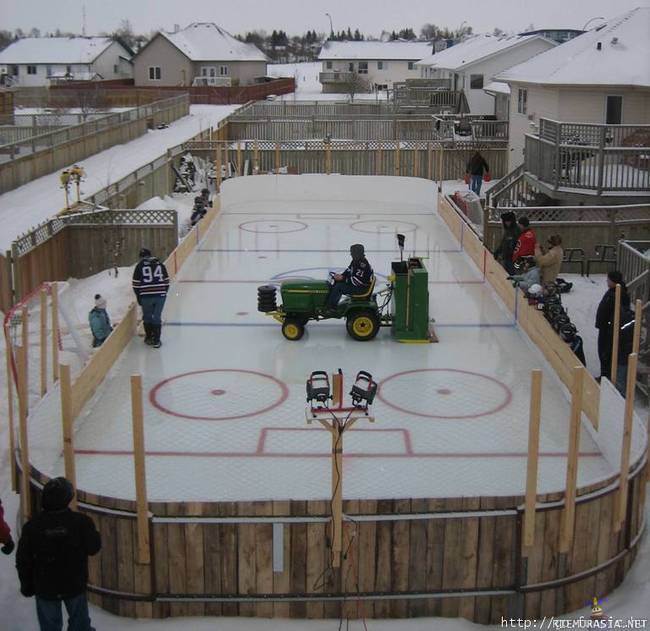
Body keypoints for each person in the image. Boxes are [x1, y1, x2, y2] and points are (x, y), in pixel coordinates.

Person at [16, 477, 101, 631]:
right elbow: (94, 548)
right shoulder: (81, 522)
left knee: (49, 627)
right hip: (73, 584)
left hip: (45, 586)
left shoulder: (33, 526)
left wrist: (26, 584)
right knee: (80, 625)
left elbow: (23, 559)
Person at [595, 271, 631, 381]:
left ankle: (606, 376)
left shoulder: (620, 294)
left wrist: (610, 325)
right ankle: (604, 374)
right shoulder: (612, 292)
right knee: (602, 351)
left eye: (609, 280)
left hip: (610, 329)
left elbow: (621, 313)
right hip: (605, 327)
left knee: (606, 352)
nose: (607, 281)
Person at [132, 248, 170, 349]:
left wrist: (139, 296)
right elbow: (166, 281)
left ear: (141, 257)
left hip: (146, 295)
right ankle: (157, 341)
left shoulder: (139, 266)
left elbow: (135, 284)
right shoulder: (160, 264)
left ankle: (149, 337)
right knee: (157, 317)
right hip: (160, 295)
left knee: (147, 316)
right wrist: (163, 292)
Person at [327, 244, 374, 310]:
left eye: (352, 253)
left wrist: (343, 278)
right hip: (359, 286)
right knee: (336, 282)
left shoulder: (362, 265)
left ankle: (331, 308)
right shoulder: (355, 261)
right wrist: (341, 276)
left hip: (361, 289)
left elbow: (358, 282)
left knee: (338, 287)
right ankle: (330, 303)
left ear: (357, 253)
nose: (351, 255)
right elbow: (348, 270)